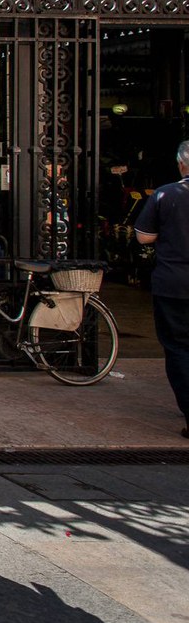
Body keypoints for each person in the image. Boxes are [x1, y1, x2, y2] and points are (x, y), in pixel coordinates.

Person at [134, 140, 189, 438]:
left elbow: (144, 236)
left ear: (181, 164)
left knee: (178, 346)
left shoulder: (166, 194)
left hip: (174, 281)